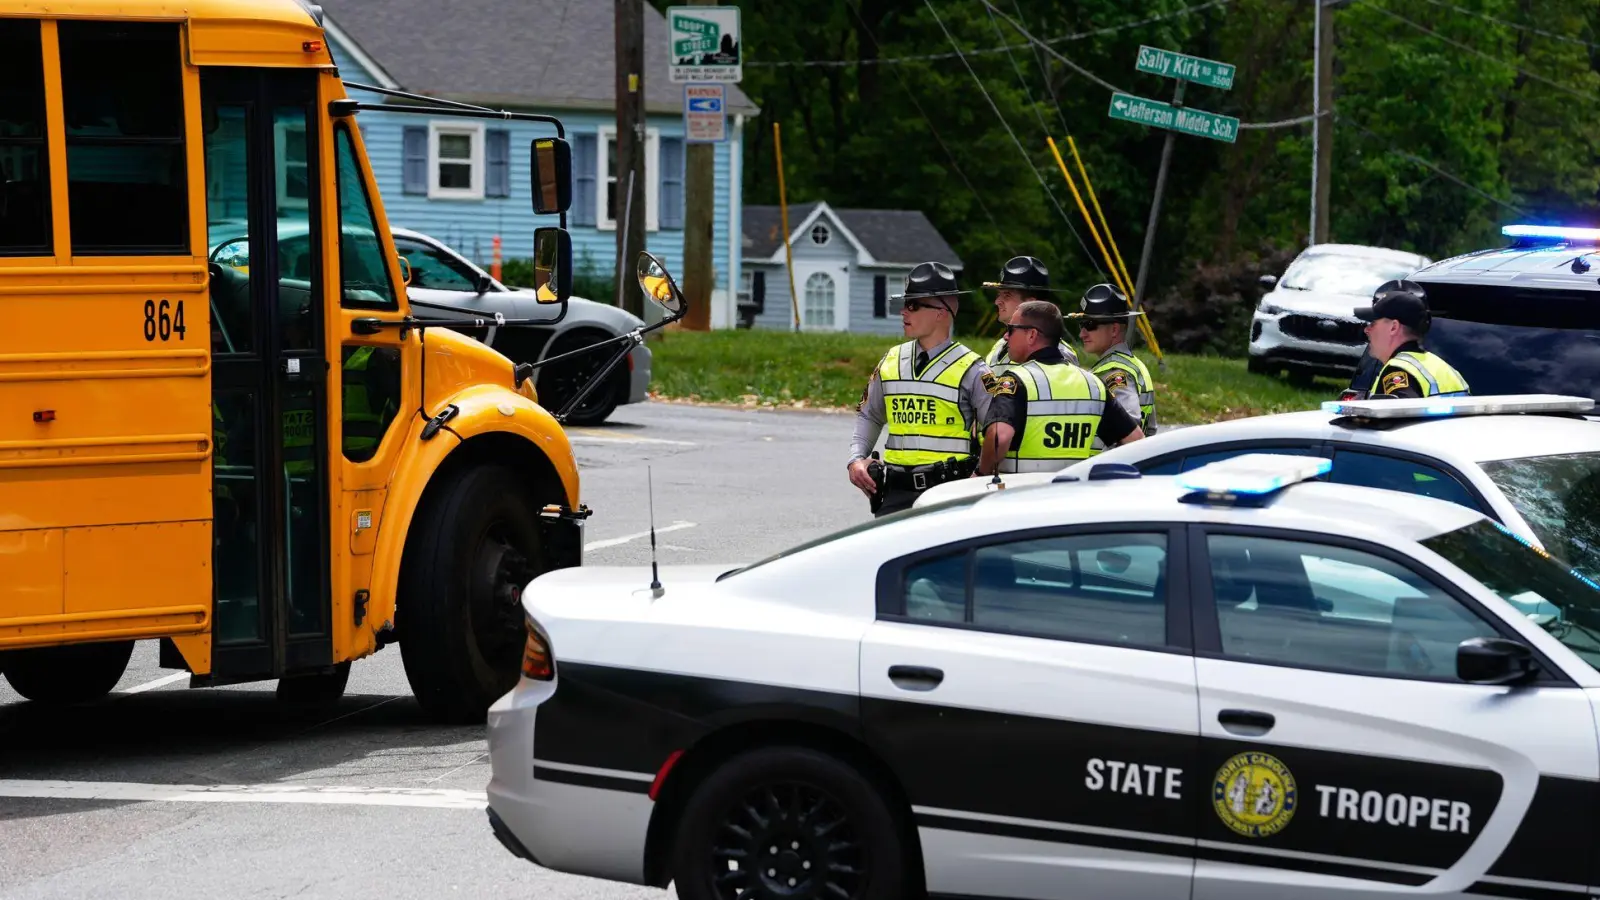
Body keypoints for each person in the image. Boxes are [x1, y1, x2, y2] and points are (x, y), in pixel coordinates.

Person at [848, 261, 1005, 516]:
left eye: (914, 305)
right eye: (905, 304)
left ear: (941, 312)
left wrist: (981, 475)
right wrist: (856, 459)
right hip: (894, 492)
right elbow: (870, 414)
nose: (903, 312)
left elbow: (996, 432)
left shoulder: (973, 369)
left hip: (949, 491)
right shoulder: (890, 360)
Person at [983, 299, 1143, 474]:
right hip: (1072, 494)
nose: (1006, 336)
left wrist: (982, 472)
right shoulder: (1093, 385)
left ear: (1032, 335)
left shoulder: (1016, 380)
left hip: (1023, 495)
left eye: (1011, 329)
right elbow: (1136, 440)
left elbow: (1000, 436)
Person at [1351, 279, 1469, 399]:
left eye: (1373, 323)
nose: (1367, 330)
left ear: (1393, 327)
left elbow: (1402, 415)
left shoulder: (1399, 370)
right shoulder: (1445, 369)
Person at [1071, 283, 1158, 436]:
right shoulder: (1134, 365)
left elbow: (1128, 427)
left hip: (1108, 459)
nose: (1082, 334)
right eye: (1081, 325)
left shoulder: (1115, 371)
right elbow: (1150, 429)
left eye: (1090, 325)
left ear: (1114, 329)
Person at [981, 255, 1079, 367]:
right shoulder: (1000, 345)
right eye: (998, 295)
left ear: (1031, 303)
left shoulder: (1058, 354)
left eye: (1007, 295)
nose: (997, 301)